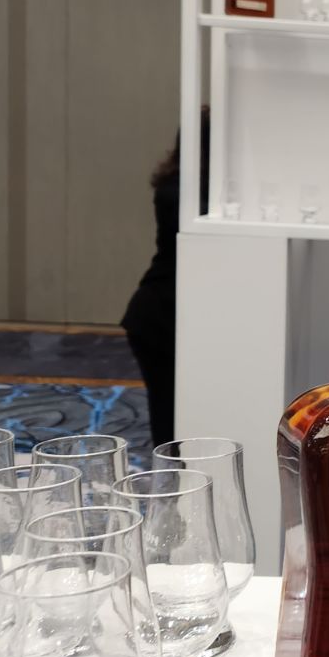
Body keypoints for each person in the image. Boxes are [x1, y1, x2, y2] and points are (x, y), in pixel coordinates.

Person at [122, 112, 210, 447]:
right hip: (158, 318)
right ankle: (173, 489)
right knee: (168, 419)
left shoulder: (187, 187)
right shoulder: (178, 193)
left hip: (170, 315)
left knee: (181, 416)